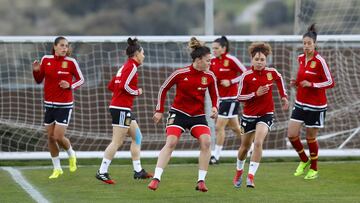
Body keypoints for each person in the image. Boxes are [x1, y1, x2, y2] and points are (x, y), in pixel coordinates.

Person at [147, 37, 219, 192]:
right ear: (198, 60)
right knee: (171, 142)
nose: (210, 63)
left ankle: (201, 181)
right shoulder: (180, 73)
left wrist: (214, 107)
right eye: (208, 60)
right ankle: (156, 178)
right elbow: (163, 88)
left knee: (206, 142)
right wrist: (159, 110)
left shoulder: (210, 76)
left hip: (197, 116)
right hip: (178, 113)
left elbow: (214, 95)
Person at [95, 37, 152, 184]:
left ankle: (138, 171)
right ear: (137, 54)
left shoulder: (124, 66)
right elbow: (123, 86)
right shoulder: (132, 67)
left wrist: (121, 97)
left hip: (121, 107)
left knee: (137, 136)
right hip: (121, 108)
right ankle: (102, 171)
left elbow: (111, 85)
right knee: (117, 142)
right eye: (143, 53)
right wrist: (136, 92)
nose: (144, 56)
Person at [233, 42, 289, 188]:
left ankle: (250, 177)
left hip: (266, 114)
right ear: (251, 59)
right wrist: (254, 94)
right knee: (244, 147)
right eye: (256, 59)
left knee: (258, 143)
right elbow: (239, 97)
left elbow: (279, 79)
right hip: (248, 116)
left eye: (262, 60)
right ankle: (239, 171)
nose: (259, 62)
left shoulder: (271, 73)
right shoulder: (246, 76)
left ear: (266, 60)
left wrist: (284, 96)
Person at [32, 36, 84, 179]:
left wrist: (70, 86)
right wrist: (36, 71)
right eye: (61, 45)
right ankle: (57, 168)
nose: (64, 48)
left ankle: (71, 154)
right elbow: (38, 80)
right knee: (50, 137)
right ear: (55, 47)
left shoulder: (71, 62)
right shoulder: (45, 60)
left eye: (66, 46)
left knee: (58, 136)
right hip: (49, 104)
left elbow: (81, 79)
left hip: (65, 105)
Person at [287, 24, 334, 180]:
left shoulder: (320, 61)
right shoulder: (300, 58)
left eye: (309, 43)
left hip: (316, 106)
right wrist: (295, 83)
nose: (306, 46)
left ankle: (314, 168)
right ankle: (304, 160)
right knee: (292, 135)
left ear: (315, 44)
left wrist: (312, 84)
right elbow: (302, 79)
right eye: (304, 43)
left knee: (310, 138)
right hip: (300, 102)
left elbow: (330, 82)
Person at [209, 36, 247, 165]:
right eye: (212, 48)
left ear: (223, 48)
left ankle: (216, 156)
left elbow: (246, 73)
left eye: (216, 48)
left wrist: (231, 81)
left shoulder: (231, 60)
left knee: (219, 126)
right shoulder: (212, 61)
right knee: (235, 128)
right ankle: (251, 147)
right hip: (220, 99)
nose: (213, 50)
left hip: (231, 98)